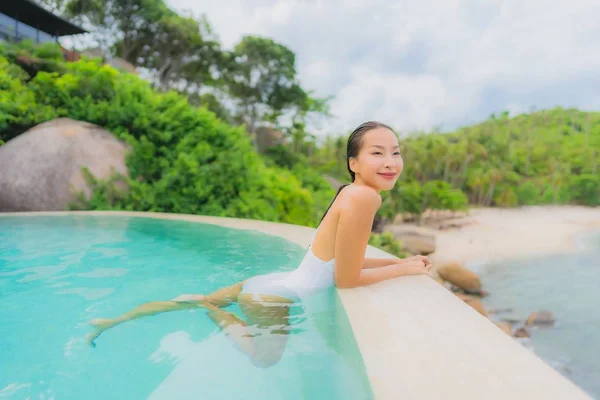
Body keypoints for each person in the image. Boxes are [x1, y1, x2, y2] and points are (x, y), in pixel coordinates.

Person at [86, 121, 433, 366]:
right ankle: (214, 313)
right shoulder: (364, 198)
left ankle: (111, 321)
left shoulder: (351, 193)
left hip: (269, 285)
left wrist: (397, 264)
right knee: (263, 360)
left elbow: (341, 263)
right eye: (377, 153)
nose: (390, 162)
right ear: (353, 163)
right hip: (270, 298)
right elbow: (346, 279)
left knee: (192, 299)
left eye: (396, 153)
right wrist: (404, 268)